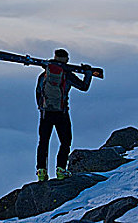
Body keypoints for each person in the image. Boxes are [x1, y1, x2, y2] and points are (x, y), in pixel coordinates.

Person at [35, 48, 92, 181]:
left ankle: (41, 172)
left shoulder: (44, 75)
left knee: (43, 142)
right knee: (65, 142)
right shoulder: (68, 75)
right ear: (66, 59)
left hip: (45, 113)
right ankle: (61, 170)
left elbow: (38, 92)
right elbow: (84, 87)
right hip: (62, 113)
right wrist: (88, 73)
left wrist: (41, 107)